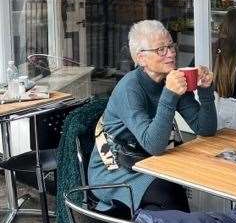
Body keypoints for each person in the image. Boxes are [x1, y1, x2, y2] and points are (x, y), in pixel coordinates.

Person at [88, 19, 216, 213]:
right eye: (160, 50)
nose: (171, 53)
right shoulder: (130, 88)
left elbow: (205, 129)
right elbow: (154, 145)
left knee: (177, 189)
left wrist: (205, 91)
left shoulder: (171, 79)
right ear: (141, 58)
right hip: (114, 168)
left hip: (146, 161)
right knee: (169, 194)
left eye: (171, 46)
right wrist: (170, 95)